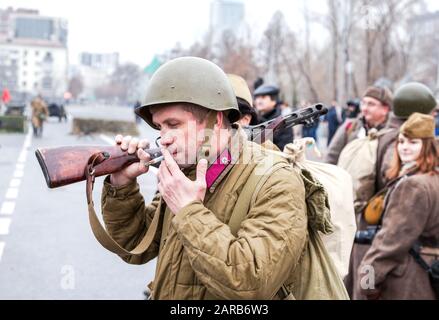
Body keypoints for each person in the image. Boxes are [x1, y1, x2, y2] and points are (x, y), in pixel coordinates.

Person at [99, 57, 316, 300]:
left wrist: (188, 211)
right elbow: (136, 246)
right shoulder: (184, 170)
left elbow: (251, 284)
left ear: (218, 119)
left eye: (174, 124)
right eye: (160, 127)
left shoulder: (276, 179)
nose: (164, 138)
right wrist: (122, 186)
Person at [358, 113, 439, 300]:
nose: (404, 148)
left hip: (409, 279)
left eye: (413, 142)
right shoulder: (431, 178)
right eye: (401, 142)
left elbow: (390, 241)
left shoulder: (414, 185)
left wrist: (367, 281)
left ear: (427, 145)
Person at [325, 86, 393, 164]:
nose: (364, 108)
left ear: (385, 109)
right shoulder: (350, 126)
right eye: (363, 103)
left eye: (371, 104)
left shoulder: (393, 132)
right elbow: (331, 158)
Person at [253, 84, 294, 150]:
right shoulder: (255, 119)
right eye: (257, 98)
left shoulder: (283, 122)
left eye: (263, 97)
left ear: (274, 101)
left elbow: (284, 150)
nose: (258, 101)